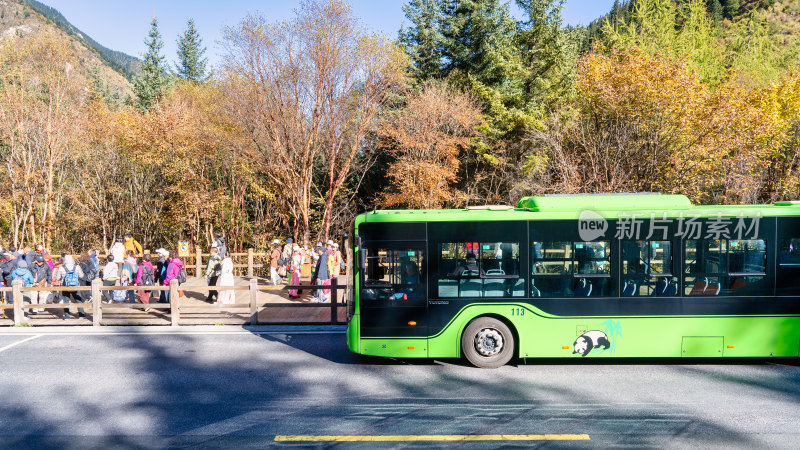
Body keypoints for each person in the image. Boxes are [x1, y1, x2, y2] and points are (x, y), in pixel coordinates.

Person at [54, 255, 86, 320]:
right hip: (75, 286)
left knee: (66, 301)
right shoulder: (77, 266)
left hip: (65, 286)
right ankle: (81, 315)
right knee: (78, 300)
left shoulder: (61, 267)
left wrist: (61, 279)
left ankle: (67, 316)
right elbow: (82, 276)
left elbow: (57, 277)